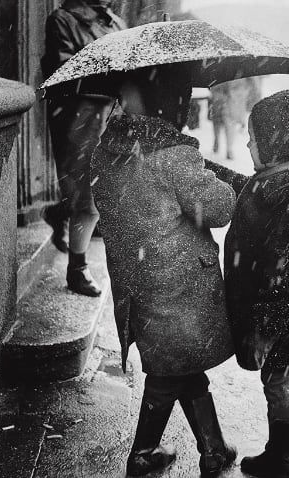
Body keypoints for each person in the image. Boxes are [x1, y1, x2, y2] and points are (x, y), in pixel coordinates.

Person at [90, 64, 237, 477]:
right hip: (179, 285)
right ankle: (142, 453)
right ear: (175, 107)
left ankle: (213, 448)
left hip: (141, 281)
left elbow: (111, 205)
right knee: (167, 372)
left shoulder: (110, 151)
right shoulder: (173, 157)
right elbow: (219, 209)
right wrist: (217, 180)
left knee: (180, 365)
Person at [206, 90, 289, 478]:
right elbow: (252, 189)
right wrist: (211, 168)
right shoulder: (284, 182)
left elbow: (286, 276)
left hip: (279, 315)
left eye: (254, 138)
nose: (246, 142)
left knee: (277, 380)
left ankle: (284, 457)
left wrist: (266, 326)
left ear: (275, 145)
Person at [40, 0, 126, 296]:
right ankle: (77, 269)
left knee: (98, 192)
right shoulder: (63, 20)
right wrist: (109, 70)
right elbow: (62, 72)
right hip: (81, 120)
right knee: (89, 196)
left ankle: (61, 211)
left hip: (112, 118)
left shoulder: (115, 22)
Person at [209, 77, 261, 159]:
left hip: (231, 105)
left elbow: (251, 89)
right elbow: (213, 88)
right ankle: (216, 140)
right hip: (219, 102)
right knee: (216, 124)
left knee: (230, 126)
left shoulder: (244, 74)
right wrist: (221, 94)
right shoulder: (220, 72)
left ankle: (229, 149)